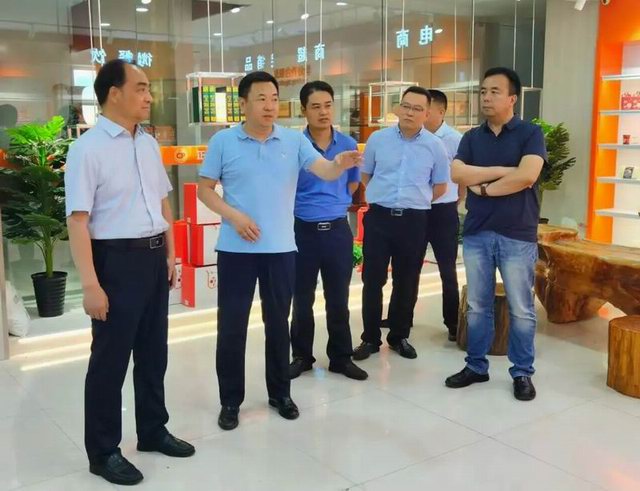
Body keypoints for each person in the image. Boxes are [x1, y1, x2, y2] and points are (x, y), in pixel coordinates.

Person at [197, 71, 362, 432]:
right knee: (232, 327)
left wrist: (339, 164)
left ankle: (280, 394)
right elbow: (204, 189)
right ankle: (230, 401)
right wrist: (235, 216)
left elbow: (324, 169)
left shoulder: (292, 140)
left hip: (282, 249)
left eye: (274, 98)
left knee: (278, 324)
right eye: (261, 99)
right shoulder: (224, 141)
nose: (270, 106)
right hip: (236, 250)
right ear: (243, 104)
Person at [65, 59, 195, 487]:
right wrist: (90, 284)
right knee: (110, 360)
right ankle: (103, 451)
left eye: (148, 89)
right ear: (114, 93)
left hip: (153, 258)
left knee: (154, 353)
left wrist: (171, 255)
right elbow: (78, 220)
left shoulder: (147, 143)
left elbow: (163, 201)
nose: (149, 97)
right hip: (115, 261)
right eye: (140, 88)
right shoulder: (88, 149)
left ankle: (153, 430)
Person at [445, 67, 546, 402]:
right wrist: (504, 171)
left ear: (512, 98)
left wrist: (485, 188)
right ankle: (476, 366)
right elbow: (457, 173)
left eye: (494, 91)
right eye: (483, 91)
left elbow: (527, 176)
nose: (486, 97)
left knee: (521, 308)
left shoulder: (530, 133)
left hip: (517, 233)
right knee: (477, 305)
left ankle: (522, 372)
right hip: (477, 232)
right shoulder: (472, 137)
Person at [353, 86, 450, 362]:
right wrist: (385, 197)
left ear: (427, 114)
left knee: (406, 280)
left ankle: (399, 336)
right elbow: (366, 176)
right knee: (373, 279)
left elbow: (440, 186)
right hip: (379, 218)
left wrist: (414, 202)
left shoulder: (435, 146)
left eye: (417, 108)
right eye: (405, 106)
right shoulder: (378, 139)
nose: (409, 112)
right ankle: (370, 338)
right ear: (398, 108)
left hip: (414, 220)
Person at [289, 81, 367, 382]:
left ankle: (341, 358)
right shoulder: (295, 145)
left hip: (336, 230)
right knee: (301, 299)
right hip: (302, 231)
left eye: (328, 105)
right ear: (304, 110)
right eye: (315, 107)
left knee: (338, 298)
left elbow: (352, 184)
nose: (323, 112)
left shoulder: (347, 143)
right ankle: (301, 357)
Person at [423, 89, 464, 341]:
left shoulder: (455, 139)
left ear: (441, 111)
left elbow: (463, 176)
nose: (422, 114)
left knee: (447, 270)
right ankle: (400, 319)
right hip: (418, 210)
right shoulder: (415, 137)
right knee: (408, 268)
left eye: (426, 110)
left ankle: (452, 322)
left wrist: (457, 198)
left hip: (444, 211)